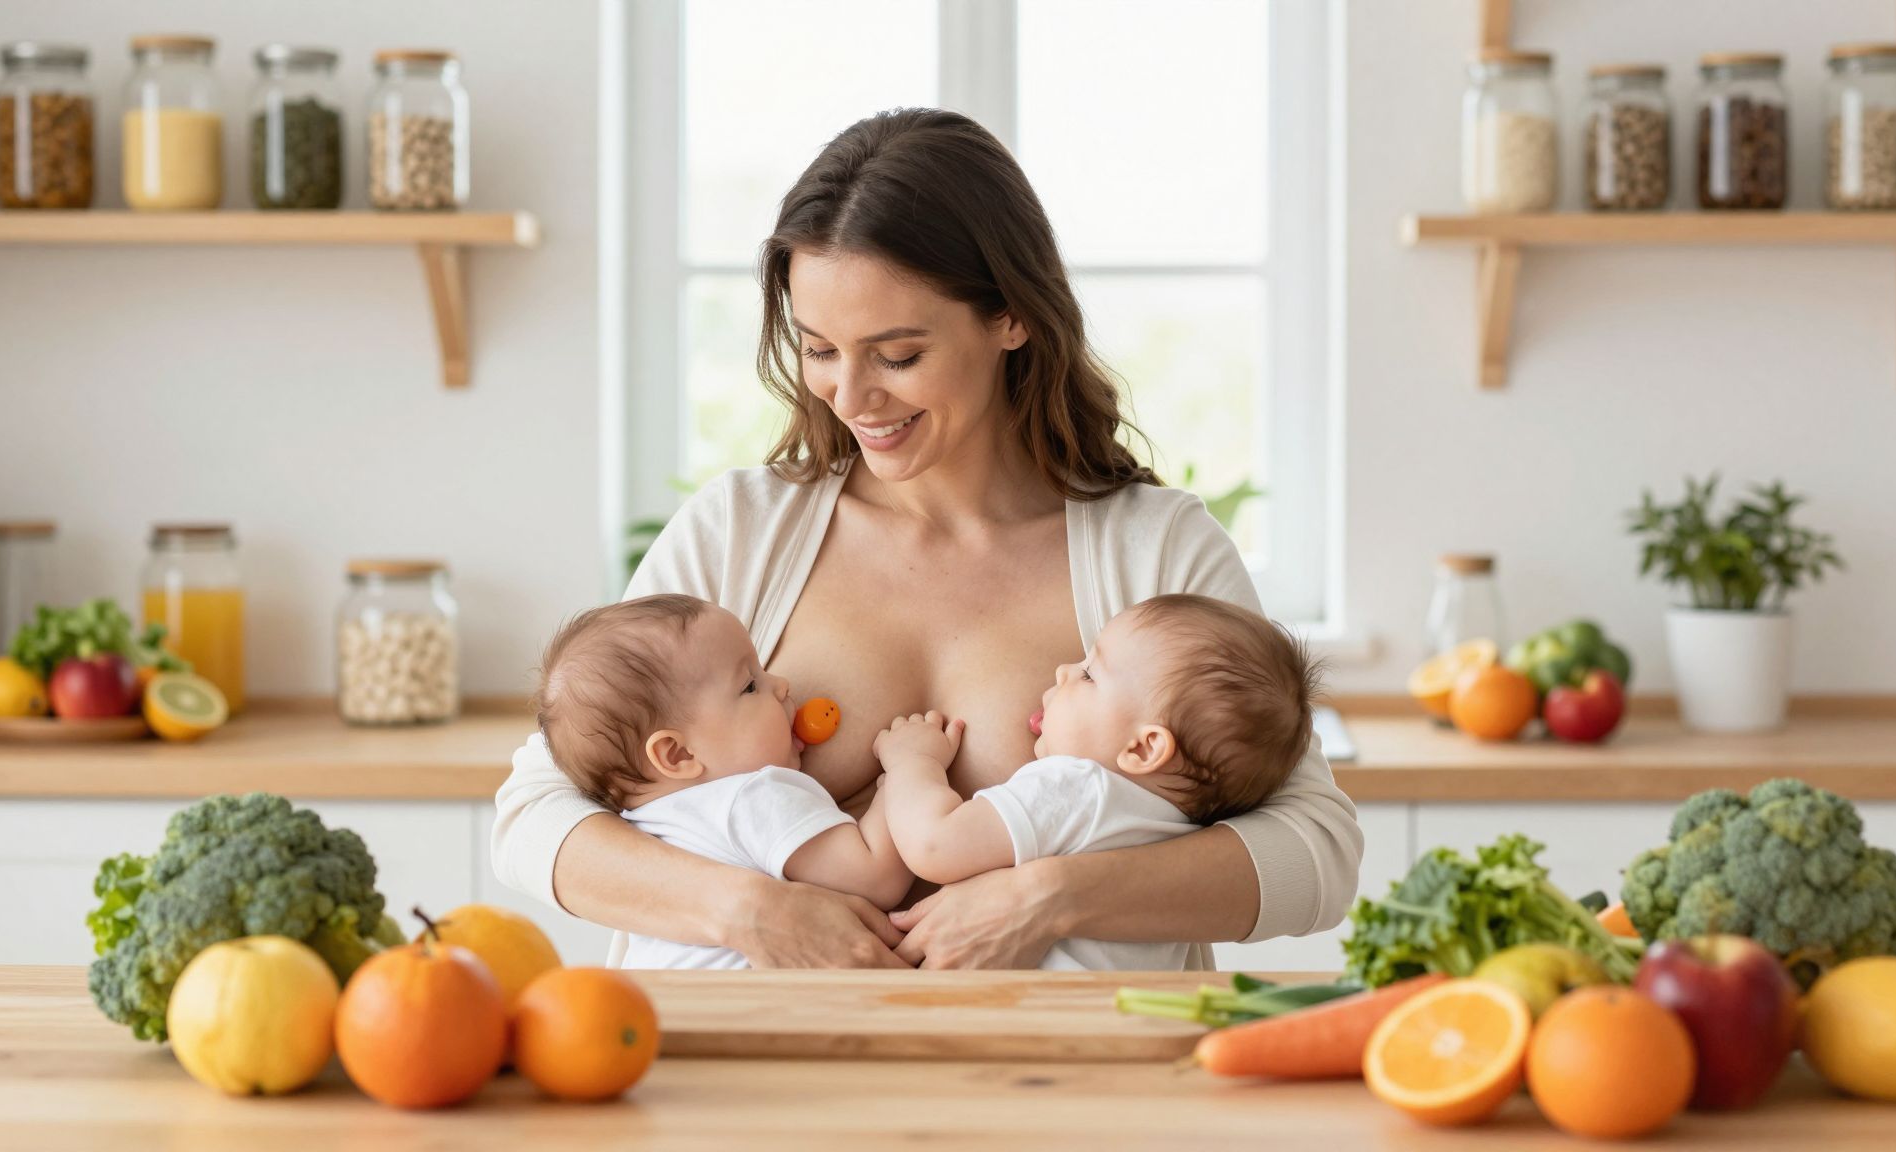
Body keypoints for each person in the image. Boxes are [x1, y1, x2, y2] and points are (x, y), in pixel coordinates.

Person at [494, 106, 1363, 969]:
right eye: (819, 350)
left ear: (1010, 317)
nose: (850, 396)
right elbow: (532, 818)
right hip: (750, 1053)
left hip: (1068, 1060)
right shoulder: (739, 532)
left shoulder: (1154, 549)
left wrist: (1051, 896)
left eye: (898, 355)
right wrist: (748, 912)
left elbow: (1317, 857)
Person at [875, 594, 1321, 971]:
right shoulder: (1182, 830)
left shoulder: (1078, 787)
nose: (1063, 671)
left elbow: (934, 845)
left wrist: (913, 763)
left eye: (1089, 674)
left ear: (1143, 748)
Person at [534, 594, 912, 969]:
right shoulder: (751, 798)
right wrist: (906, 768)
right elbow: (876, 877)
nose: (782, 685)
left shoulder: (635, 829)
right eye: (750, 686)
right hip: (745, 1006)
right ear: (677, 755)